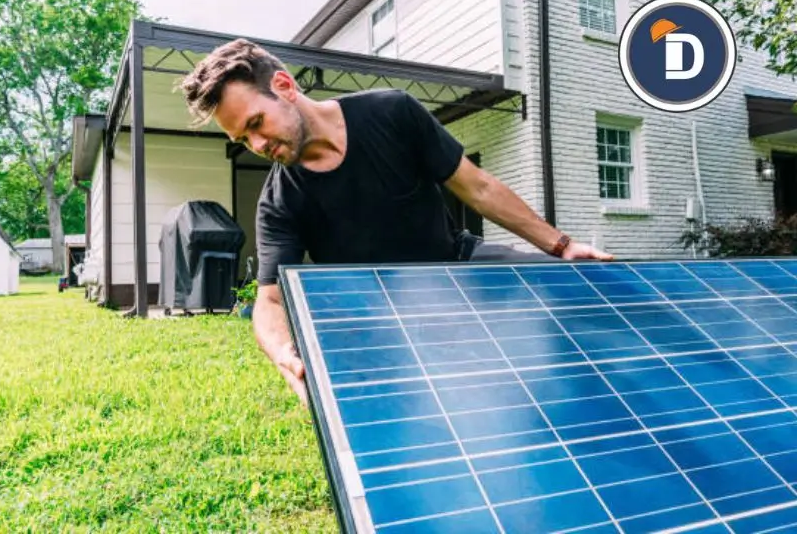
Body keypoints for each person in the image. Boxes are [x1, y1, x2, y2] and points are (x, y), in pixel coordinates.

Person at [179, 38, 612, 405]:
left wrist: (560, 246)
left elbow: (476, 186)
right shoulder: (279, 203)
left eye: (256, 123)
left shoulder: (392, 112)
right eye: (242, 139)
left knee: (572, 290)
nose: (257, 143)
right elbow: (270, 303)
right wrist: (283, 354)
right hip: (382, 318)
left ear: (284, 86)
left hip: (456, 264)